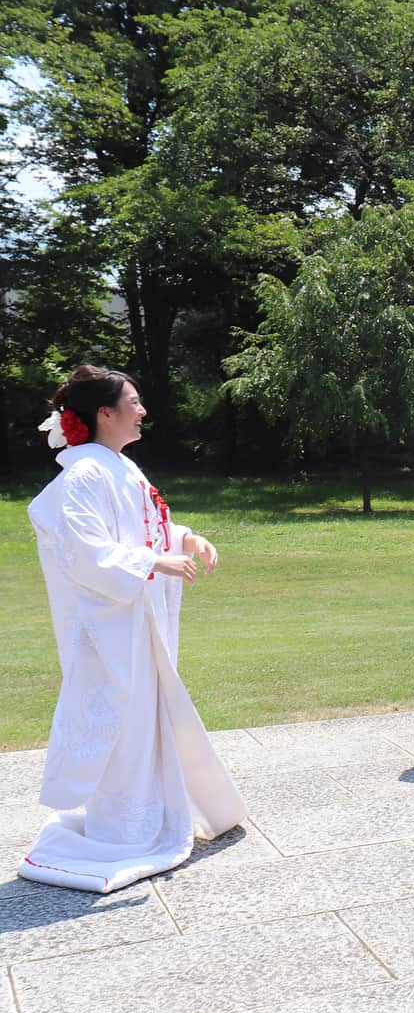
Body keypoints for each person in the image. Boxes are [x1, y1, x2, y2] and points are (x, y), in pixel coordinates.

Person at [22, 365, 247, 893]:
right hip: (109, 630)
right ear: (105, 413)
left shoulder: (120, 467)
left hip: (135, 621)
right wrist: (152, 562)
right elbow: (84, 547)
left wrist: (185, 539)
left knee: (149, 717)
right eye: (134, 401)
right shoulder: (82, 475)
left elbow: (149, 525)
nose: (142, 410)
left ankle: (149, 818)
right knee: (121, 719)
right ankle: (122, 828)